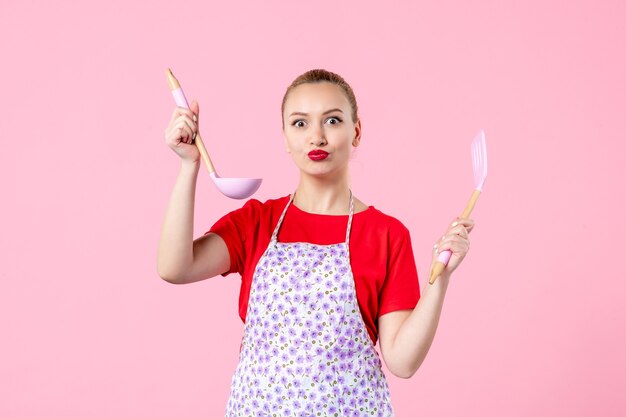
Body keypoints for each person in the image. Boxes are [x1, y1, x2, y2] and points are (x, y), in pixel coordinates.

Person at [157, 69, 474, 416]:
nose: (317, 137)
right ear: (284, 137)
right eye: (300, 123)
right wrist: (190, 167)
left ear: (356, 132)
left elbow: (402, 362)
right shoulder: (256, 222)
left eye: (333, 120)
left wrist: (440, 278)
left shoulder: (386, 234)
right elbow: (175, 267)